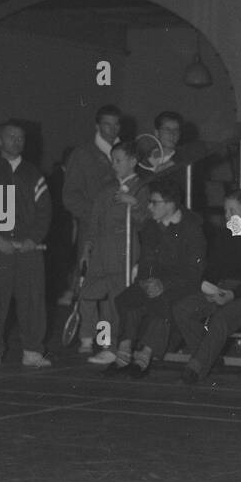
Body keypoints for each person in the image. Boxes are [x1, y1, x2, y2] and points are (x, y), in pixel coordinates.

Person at [175, 190, 241, 386]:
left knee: (221, 320)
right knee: (183, 310)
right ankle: (209, 357)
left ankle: (195, 368)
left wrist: (232, 294)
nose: (226, 216)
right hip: (221, 289)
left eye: (231, 211)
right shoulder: (224, 236)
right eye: (225, 211)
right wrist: (209, 288)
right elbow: (212, 268)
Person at [106, 180, 206, 378]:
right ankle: (124, 350)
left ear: (170, 204)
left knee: (162, 301)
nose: (149, 206)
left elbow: (194, 270)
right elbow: (147, 260)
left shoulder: (192, 228)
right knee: (128, 298)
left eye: (154, 202)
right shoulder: (151, 226)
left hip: (182, 284)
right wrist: (146, 280)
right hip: (154, 281)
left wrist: (164, 284)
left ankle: (145, 355)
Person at [0, 121, 54, 368]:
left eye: (20, 138)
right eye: (11, 137)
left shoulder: (34, 174)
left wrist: (34, 239)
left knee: (32, 299)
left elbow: (45, 212)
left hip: (29, 249)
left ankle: (32, 351)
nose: (16, 141)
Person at [80, 140, 146, 365]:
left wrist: (134, 204)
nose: (114, 165)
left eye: (119, 161)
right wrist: (88, 247)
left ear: (133, 161)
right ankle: (98, 340)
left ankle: (112, 347)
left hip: (124, 253)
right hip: (101, 253)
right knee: (90, 294)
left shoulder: (142, 188)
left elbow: (145, 222)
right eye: (113, 160)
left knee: (115, 303)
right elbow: (94, 221)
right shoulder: (107, 189)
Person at [61, 105, 121, 304]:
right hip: (93, 232)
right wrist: (96, 216)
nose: (112, 129)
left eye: (116, 124)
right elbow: (70, 196)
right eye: (107, 124)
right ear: (97, 126)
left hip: (123, 231)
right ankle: (86, 333)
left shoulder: (129, 154)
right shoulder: (83, 155)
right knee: (89, 286)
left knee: (117, 288)